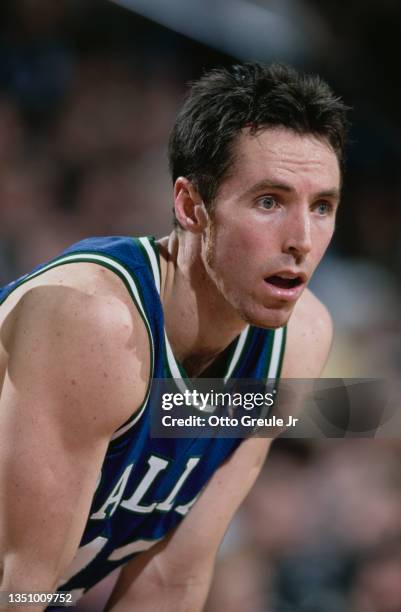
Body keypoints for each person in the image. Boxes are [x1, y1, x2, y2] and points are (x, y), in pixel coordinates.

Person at [0, 62, 348, 611]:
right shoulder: (96, 322)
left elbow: (174, 577)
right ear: (191, 207)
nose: (302, 239)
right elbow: (19, 585)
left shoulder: (299, 341)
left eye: (322, 206)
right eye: (269, 202)